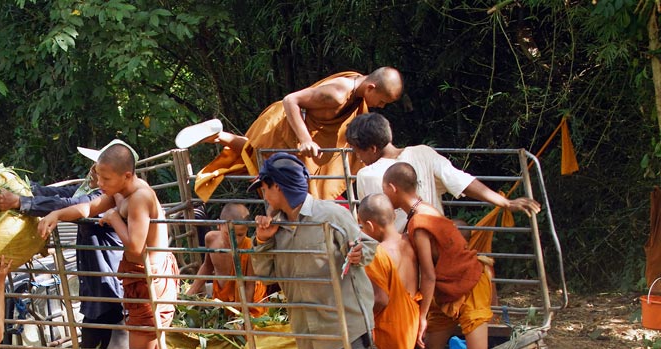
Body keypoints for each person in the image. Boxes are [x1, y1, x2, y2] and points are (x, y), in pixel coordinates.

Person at [249, 152, 446, 349]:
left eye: (263, 187)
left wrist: (356, 254)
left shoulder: (329, 215)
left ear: (277, 186)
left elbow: (365, 245)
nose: (263, 195)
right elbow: (263, 273)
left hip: (344, 326)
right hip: (308, 330)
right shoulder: (275, 226)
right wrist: (262, 239)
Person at [37, 141, 207, 349]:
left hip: (151, 280)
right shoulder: (119, 191)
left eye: (105, 178)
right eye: (98, 176)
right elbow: (90, 207)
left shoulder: (139, 197)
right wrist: (57, 215)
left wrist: (115, 218)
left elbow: (136, 247)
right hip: (140, 278)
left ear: (126, 175)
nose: (99, 183)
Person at [382, 162, 538, 349]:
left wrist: (421, 317)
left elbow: (428, 276)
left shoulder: (419, 224)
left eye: (385, 190)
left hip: (468, 286)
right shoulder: (423, 212)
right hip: (447, 291)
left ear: (392, 188)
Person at [0, 148, 127, 349]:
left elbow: (64, 204)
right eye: (95, 168)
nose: (94, 172)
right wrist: (21, 188)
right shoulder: (92, 191)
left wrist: (20, 202)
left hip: (109, 285)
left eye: (103, 173)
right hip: (95, 288)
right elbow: (56, 193)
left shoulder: (103, 198)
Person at [185, 68, 404, 202]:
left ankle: (217, 135)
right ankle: (219, 135)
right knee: (259, 164)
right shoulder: (338, 93)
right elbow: (291, 100)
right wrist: (305, 139)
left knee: (255, 156)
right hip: (285, 123)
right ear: (371, 88)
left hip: (301, 128)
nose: (381, 106)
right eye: (382, 101)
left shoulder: (357, 87)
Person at [346, 112, 542, 231]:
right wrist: (504, 202)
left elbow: (370, 222)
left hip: (399, 253)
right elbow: (461, 180)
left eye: (357, 151)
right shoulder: (423, 153)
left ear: (372, 148)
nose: (358, 158)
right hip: (435, 239)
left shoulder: (367, 174)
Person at [357, 193, 420, 349]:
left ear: (369, 225)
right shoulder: (408, 241)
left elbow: (381, 300)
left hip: (389, 327)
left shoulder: (377, 253)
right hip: (410, 321)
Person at [186, 203, 268, 318]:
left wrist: (244, 316)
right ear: (219, 224)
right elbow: (207, 266)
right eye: (228, 234)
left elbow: (250, 285)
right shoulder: (211, 239)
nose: (234, 240)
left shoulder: (249, 247)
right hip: (221, 300)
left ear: (247, 229)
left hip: (247, 301)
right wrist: (190, 292)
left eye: (240, 235)